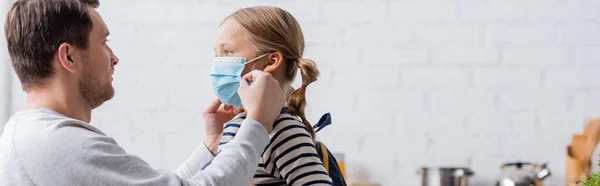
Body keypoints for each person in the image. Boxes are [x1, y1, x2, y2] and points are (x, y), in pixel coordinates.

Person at [0, 0, 286, 185]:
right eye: (104, 43)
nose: (114, 58)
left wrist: (210, 146)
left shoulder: (31, 135)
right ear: (69, 57)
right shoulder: (58, 144)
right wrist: (258, 123)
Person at [211, 6, 333, 185]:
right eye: (216, 54)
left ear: (271, 61)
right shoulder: (237, 125)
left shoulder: (281, 129)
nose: (218, 62)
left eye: (228, 52)